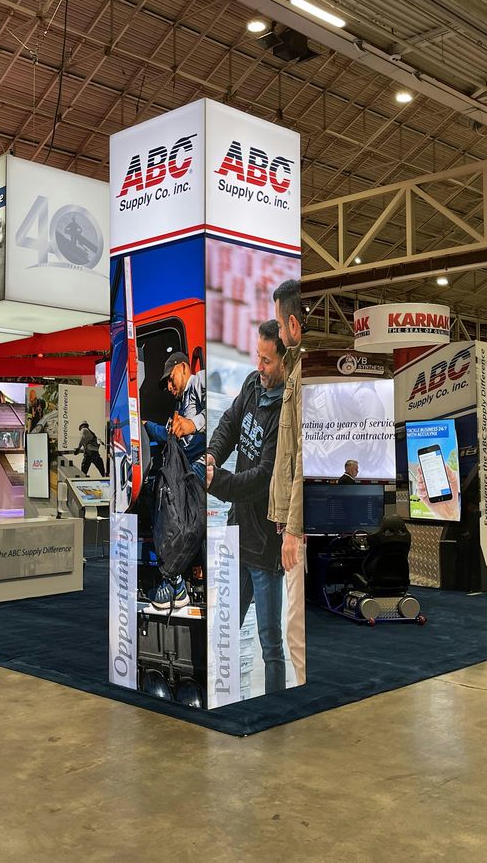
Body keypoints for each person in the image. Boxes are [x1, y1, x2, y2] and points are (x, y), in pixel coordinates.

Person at [206, 320, 287, 692]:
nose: (260, 366)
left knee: (271, 644)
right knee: (225, 627)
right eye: (258, 357)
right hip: (237, 534)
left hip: (265, 546)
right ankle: (223, 698)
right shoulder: (253, 385)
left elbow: (262, 478)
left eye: (267, 361)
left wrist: (216, 482)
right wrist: (212, 455)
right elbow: (230, 422)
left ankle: (275, 711)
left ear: (284, 362)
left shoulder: (285, 413)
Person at [268, 278, 306, 687]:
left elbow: (302, 457)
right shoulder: (293, 370)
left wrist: (293, 529)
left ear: (294, 325)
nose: (279, 333)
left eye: (280, 325)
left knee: (295, 628)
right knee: (294, 625)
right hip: (294, 522)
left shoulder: (302, 375)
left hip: (300, 528)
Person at [144, 351, 207, 481]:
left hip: (202, 463)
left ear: (183, 367)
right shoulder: (179, 406)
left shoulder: (199, 380)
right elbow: (167, 434)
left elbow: (216, 414)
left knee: (178, 486)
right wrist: (147, 426)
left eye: (171, 378)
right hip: (186, 465)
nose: (169, 387)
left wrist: (193, 424)